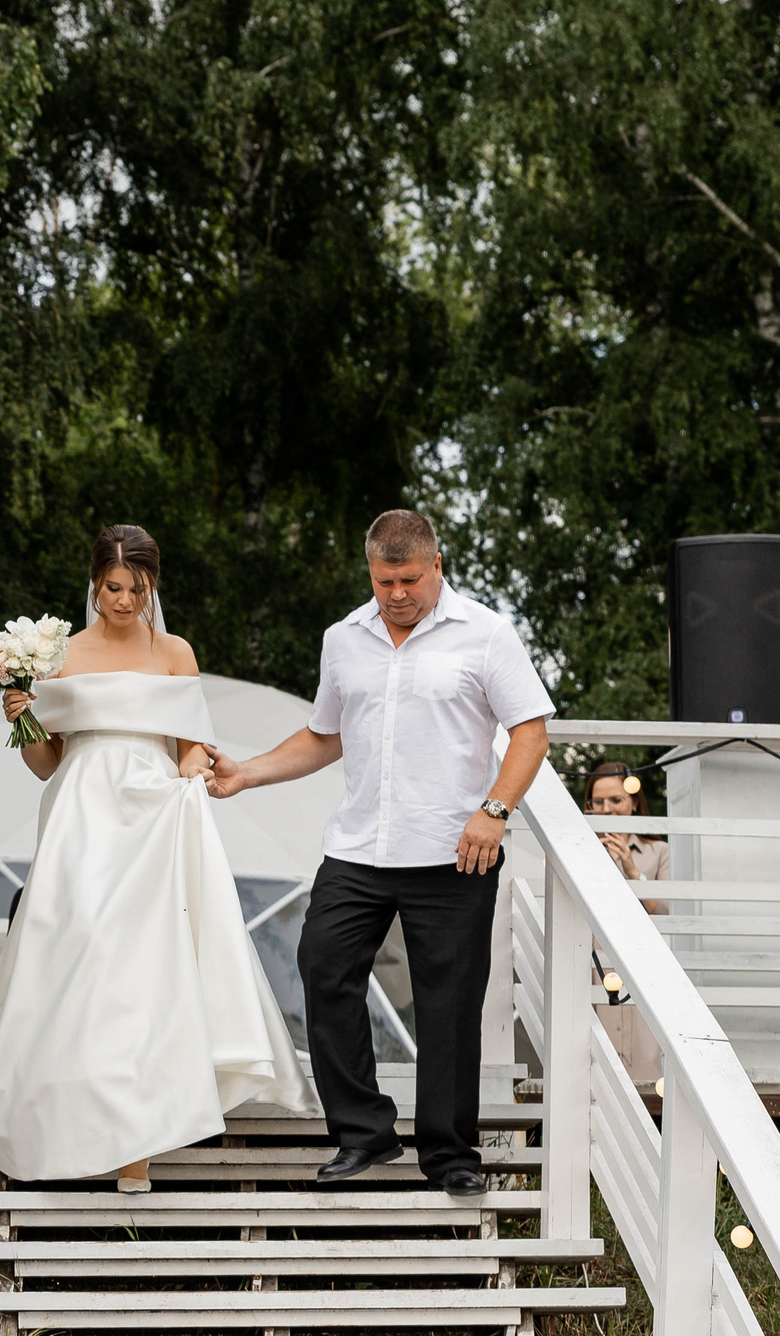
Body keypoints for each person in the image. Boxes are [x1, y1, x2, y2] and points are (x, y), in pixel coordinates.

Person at [209, 510, 555, 1196]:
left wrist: (495, 810)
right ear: (369, 571)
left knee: (448, 1004)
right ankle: (364, 1134)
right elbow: (324, 735)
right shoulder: (345, 637)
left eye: (408, 579)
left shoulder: (485, 634)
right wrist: (246, 771)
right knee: (322, 963)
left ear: (436, 567)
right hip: (360, 847)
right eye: (382, 579)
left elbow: (530, 733)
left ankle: (451, 1154)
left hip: (456, 851)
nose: (395, 593)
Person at [0, 524, 319, 1190]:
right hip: (81, 815)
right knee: (77, 957)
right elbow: (49, 764)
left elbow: (187, 744)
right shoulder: (60, 654)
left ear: (153, 586)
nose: (125, 600)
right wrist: (22, 719)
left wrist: (189, 778)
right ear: (95, 582)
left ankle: (137, 1148)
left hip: (152, 813)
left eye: (137, 588)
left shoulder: (176, 652)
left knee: (142, 972)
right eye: (113, 587)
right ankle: (66, 1119)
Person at [585, 762, 667, 1088]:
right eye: (599, 802)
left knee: (646, 1068)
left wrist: (631, 868)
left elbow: (661, 909)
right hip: (595, 970)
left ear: (633, 802)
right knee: (596, 1072)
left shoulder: (658, 851)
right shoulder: (579, 851)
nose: (608, 809)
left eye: (616, 800)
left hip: (642, 970)